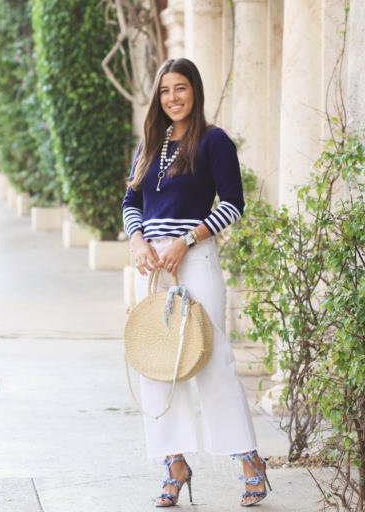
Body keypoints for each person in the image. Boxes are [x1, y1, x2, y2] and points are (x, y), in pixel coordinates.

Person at [122, 57, 272, 508]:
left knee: (211, 360)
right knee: (154, 362)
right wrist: (137, 240)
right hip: (151, 267)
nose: (173, 98)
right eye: (166, 90)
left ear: (195, 91)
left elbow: (234, 204)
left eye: (181, 88)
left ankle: (249, 461)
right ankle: (174, 464)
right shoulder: (151, 142)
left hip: (195, 259)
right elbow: (131, 199)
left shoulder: (214, 141)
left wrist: (186, 240)